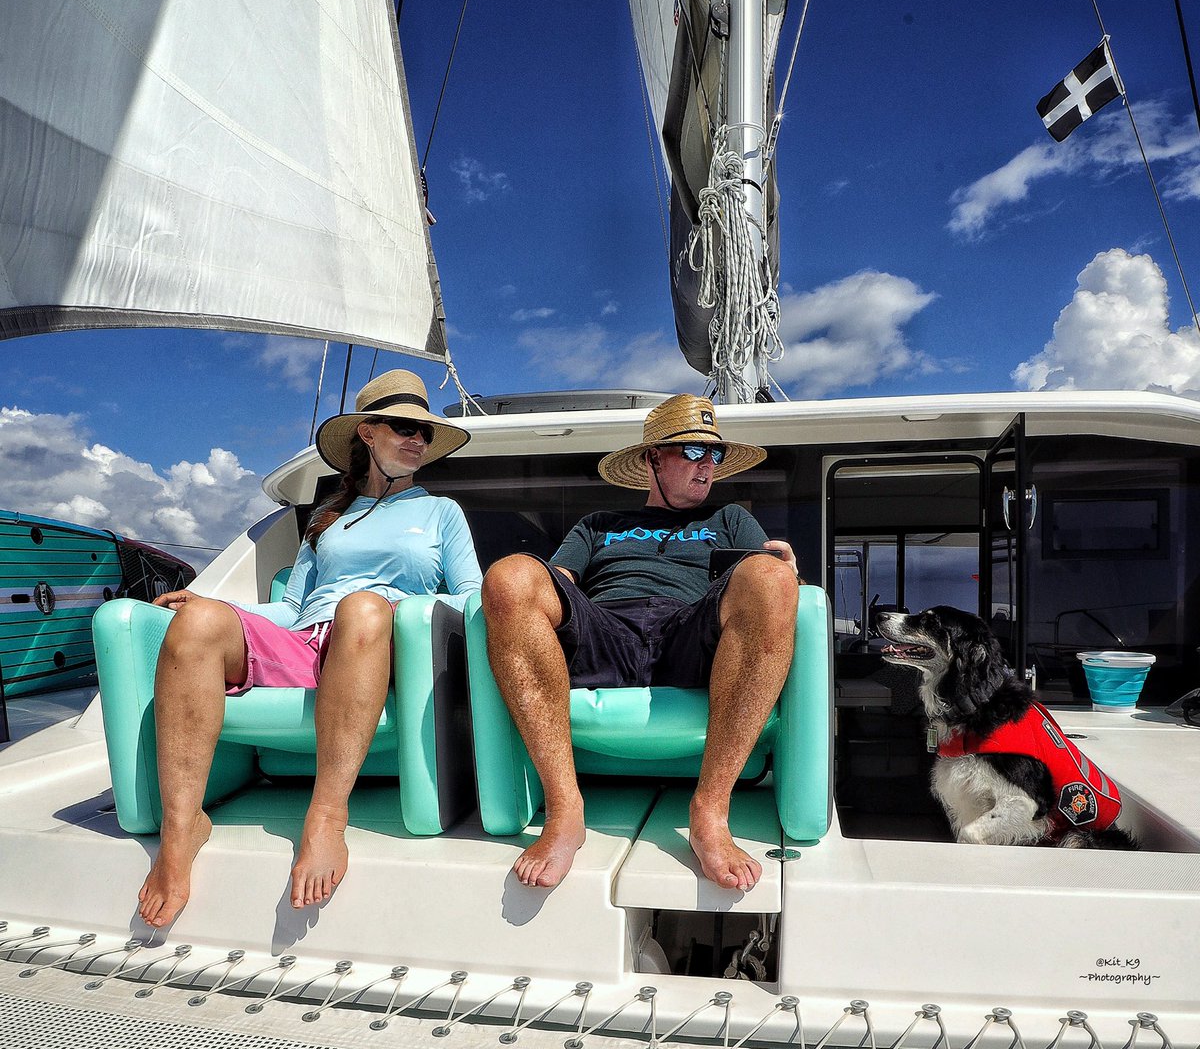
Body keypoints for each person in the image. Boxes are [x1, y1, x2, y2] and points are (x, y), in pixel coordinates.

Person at [136, 370, 481, 928]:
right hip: (309, 640)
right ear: (367, 434)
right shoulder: (326, 519)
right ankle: (181, 829)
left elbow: (469, 599)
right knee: (199, 621)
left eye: (424, 432)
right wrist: (208, 608)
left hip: (386, 645)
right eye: (403, 427)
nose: (417, 440)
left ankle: (325, 816)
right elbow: (293, 609)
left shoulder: (441, 512)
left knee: (362, 607)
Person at [481, 394, 799, 891]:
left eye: (714, 456)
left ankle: (710, 813)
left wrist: (788, 573)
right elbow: (555, 586)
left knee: (772, 578)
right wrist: (530, 588)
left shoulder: (731, 519)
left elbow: (761, 586)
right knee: (511, 577)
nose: (707, 467)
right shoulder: (599, 525)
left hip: (689, 634)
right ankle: (565, 810)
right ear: (653, 458)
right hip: (606, 631)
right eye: (692, 453)